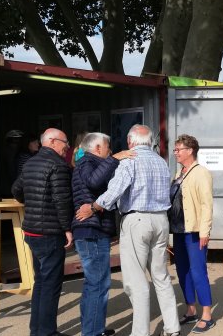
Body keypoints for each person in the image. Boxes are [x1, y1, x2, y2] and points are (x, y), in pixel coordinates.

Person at [76, 125, 180, 336]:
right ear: (149, 141)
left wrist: (94, 207)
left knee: (136, 280)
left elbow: (115, 190)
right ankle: (172, 327)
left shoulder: (129, 160)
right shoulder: (161, 162)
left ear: (131, 142)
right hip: (160, 220)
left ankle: (140, 332)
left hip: (137, 220)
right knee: (161, 276)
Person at [71, 132, 135, 336]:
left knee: (94, 283)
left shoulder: (87, 162)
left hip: (93, 228)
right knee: (98, 283)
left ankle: (92, 329)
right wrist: (114, 159)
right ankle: (92, 332)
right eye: (108, 148)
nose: (111, 151)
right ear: (97, 148)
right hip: (91, 230)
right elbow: (93, 182)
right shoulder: (87, 163)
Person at [11, 128, 74, 336]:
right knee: (51, 285)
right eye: (65, 142)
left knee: (40, 283)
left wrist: (29, 201)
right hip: (50, 233)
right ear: (53, 142)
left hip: (32, 232)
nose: (67, 146)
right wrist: (67, 228)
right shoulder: (58, 165)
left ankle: (36, 330)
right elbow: (61, 200)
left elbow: (16, 190)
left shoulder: (30, 163)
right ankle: (46, 332)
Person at [170, 134, 216, 333]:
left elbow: (207, 205)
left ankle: (207, 314)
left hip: (195, 231)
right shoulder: (179, 173)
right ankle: (191, 310)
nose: (175, 153)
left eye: (178, 149)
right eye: (175, 149)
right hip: (179, 231)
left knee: (198, 272)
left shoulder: (201, 173)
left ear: (190, 151)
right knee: (182, 271)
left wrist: (205, 231)